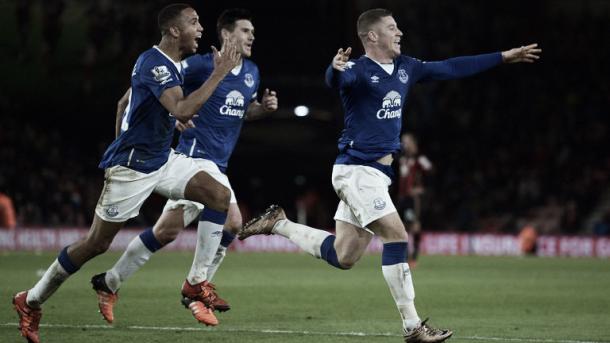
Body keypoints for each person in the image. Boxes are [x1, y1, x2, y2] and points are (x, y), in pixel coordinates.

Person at [238, 8, 540, 343]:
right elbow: (338, 80)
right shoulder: (357, 70)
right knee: (397, 236)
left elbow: (450, 67)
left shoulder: (407, 67)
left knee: (344, 256)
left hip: (377, 174)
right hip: (356, 170)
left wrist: (502, 57)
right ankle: (413, 327)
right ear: (372, 36)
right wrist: (333, 70)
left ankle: (278, 223)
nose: (400, 33)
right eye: (392, 28)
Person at [12, 4, 241, 343]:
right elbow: (180, 107)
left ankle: (195, 284)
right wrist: (219, 73)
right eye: (194, 22)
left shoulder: (171, 64)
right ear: (174, 30)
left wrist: (155, 126)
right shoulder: (154, 63)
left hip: (161, 160)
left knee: (219, 196)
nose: (201, 28)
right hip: (132, 169)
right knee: (96, 243)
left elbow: (124, 104)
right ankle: (30, 301)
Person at [89, 8, 278, 327]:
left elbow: (239, 112)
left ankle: (109, 282)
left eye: (253, 32)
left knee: (165, 232)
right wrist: (162, 118)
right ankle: (195, 290)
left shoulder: (252, 73)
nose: (252, 37)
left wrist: (261, 110)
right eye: (246, 31)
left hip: (218, 162)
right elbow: (146, 95)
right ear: (227, 35)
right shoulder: (201, 65)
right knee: (232, 222)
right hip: (193, 156)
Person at [396, 133, 433, 267]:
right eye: (402, 142)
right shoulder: (402, 159)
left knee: (413, 225)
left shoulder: (420, 159)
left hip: (413, 199)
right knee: (402, 226)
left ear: (413, 143)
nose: (403, 144)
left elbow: (432, 173)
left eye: (406, 142)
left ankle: (413, 257)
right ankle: (405, 256)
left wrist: (421, 189)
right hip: (402, 197)